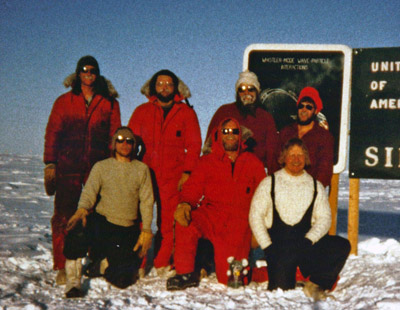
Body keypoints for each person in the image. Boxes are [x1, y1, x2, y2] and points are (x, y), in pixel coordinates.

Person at [43, 56, 121, 284]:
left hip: (98, 168)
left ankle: (96, 259)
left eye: (93, 70)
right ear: (78, 74)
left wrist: (113, 165)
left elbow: (114, 134)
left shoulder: (109, 103)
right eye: (85, 70)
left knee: (97, 214)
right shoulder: (64, 101)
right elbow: (53, 132)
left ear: (98, 74)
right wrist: (50, 163)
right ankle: (63, 265)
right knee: (64, 215)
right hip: (68, 166)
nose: (89, 74)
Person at [167, 118, 266, 290]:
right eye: (225, 131)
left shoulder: (253, 163)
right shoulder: (206, 161)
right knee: (186, 221)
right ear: (219, 135)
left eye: (234, 131)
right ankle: (185, 273)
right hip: (212, 216)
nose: (230, 135)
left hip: (238, 223)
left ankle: (273, 271)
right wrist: (185, 204)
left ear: (240, 136)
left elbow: (264, 199)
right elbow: (192, 189)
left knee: (230, 278)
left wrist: (258, 229)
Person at [249, 138, 350, 300]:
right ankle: (273, 273)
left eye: (300, 155)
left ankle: (316, 283)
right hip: (278, 248)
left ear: (306, 159)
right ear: (283, 158)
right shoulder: (269, 183)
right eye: (291, 155)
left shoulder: (315, 185)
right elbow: (255, 216)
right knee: (282, 290)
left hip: (305, 245)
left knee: (341, 245)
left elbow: (325, 219)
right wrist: (267, 246)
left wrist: (309, 240)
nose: (296, 159)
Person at [62, 127, 154, 298]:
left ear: (134, 145)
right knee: (77, 229)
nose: (124, 144)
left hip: (126, 229)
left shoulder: (142, 170)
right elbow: (89, 192)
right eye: (120, 139)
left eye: (129, 141)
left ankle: (101, 263)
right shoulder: (102, 167)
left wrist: (147, 229)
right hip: (102, 223)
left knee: (123, 280)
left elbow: (147, 201)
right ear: (113, 144)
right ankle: (73, 281)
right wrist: (82, 209)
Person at [128, 70, 202, 276]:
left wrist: (187, 172)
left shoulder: (186, 113)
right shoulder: (142, 111)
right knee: (140, 219)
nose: (164, 87)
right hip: (146, 173)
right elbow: (129, 142)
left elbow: (195, 145)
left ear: (175, 88)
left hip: (174, 176)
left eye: (169, 84)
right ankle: (139, 263)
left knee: (168, 222)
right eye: (160, 83)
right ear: (153, 87)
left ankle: (161, 261)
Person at [206, 70, 279, 174]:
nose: (246, 93)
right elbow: (209, 145)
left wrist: (273, 180)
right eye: (242, 89)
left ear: (257, 92)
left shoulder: (266, 118)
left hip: (254, 174)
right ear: (237, 93)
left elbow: (272, 154)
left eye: (251, 89)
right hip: (223, 172)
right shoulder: (224, 111)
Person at [279, 86, 334, 187]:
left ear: (316, 111)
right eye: (301, 106)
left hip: (309, 192)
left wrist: (312, 193)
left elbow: (324, 172)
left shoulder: (324, 137)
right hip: (283, 189)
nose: (304, 110)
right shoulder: (285, 132)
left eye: (309, 107)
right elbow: (276, 163)